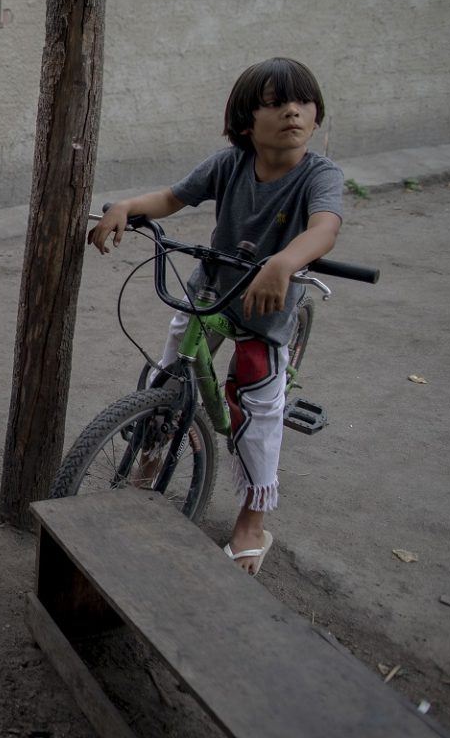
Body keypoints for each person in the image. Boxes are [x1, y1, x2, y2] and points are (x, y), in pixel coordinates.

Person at [89, 57, 343, 576]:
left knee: (256, 409)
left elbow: (324, 228)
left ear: (316, 114)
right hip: (211, 290)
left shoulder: (320, 175)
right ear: (246, 121)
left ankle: (253, 523)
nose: (292, 112)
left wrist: (283, 262)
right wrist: (126, 207)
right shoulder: (229, 164)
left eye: (303, 101)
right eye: (275, 103)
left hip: (266, 308)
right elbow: (171, 198)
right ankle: (151, 454)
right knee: (168, 374)